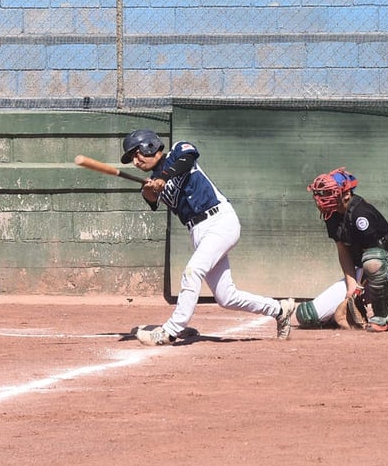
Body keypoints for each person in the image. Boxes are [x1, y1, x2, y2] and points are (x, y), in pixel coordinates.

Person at [120, 129, 296, 346]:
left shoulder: (177, 152)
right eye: (131, 159)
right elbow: (151, 200)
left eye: (137, 154)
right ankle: (279, 310)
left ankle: (170, 331)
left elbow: (188, 158)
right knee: (226, 297)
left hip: (220, 220)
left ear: (150, 146)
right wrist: (150, 189)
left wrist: (164, 177)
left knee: (192, 271)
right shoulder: (152, 181)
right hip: (197, 231)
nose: (136, 161)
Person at [294, 167, 388, 332]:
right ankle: (340, 315)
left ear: (346, 194)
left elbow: (377, 255)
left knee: (373, 261)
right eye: (322, 194)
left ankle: (383, 313)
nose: (322, 199)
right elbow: (343, 252)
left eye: (330, 193)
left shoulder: (362, 214)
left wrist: (358, 290)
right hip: (363, 271)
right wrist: (351, 287)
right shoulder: (332, 214)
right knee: (308, 315)